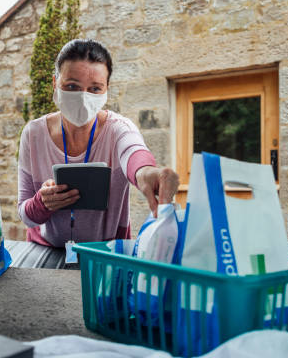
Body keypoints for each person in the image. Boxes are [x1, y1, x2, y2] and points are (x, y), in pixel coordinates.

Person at [16, 39, 179, 268]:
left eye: (94, 88)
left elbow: (134, 151)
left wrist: (145, 172)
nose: (83, 97)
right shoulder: (33, 134)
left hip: (107, 253)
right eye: (72, 86)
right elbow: (26, 215)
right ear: (55, 83)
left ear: (106, 92)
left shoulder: (118, 128)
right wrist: (42, 203)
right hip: (45, 250)